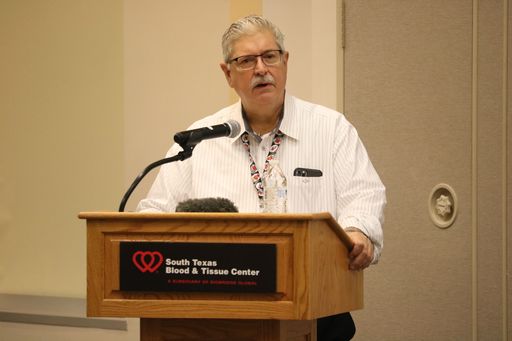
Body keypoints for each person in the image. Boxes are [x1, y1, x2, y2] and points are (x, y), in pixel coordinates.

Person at [137, 15, 386, 341]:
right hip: (221, 317)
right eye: (246, 61)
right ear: (228, 73)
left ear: (285, 61)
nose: (261, 68)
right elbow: (153, 213)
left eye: (270, 56)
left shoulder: (330, 129)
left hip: (317, 314)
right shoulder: (201, 140)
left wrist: (359, 232)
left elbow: (364, 194)